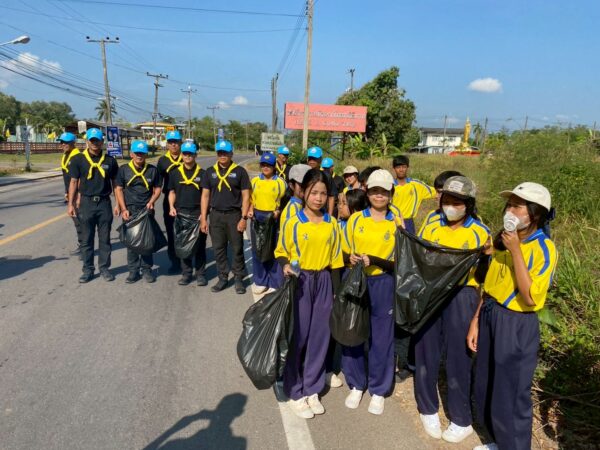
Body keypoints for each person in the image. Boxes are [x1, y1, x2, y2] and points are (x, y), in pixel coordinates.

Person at [467, 182, 557, 450]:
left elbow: (530, 298)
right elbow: (490, 287)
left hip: (516, 323)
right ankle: (498, 440)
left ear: (535, 214)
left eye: (517, 207)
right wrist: (476, 321)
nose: (510, 211)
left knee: (511, 392)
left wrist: (517, 250)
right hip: (490, 314)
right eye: (509, 205)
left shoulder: (543, 248)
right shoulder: (502, 242)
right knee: (486, 382)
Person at [414, 176, 490, 442]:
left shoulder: (480, 232)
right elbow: (420, 257)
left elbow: (484, 274)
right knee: (426, 349)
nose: (451, 206)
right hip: (432, 291)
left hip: (462, 295)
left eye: (458, 202)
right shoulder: (431, 224)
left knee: (459, 355)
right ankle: (427, 408)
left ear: (469, 204)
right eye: (447, 199)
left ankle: (461, 418)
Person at [275, 169, 344, 419]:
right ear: (303, 192)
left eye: (323, 194)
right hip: (300, 281)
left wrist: (335, 292)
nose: (318, 198)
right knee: (299, 336)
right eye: (314, 192)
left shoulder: (332, 224)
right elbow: (281, 251)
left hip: (324, 280)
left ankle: (312, 388)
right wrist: (285, 265)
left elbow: (336, 261)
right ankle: (294, 389)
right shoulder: (293, 222)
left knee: (320, 337)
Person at [341, 169, 404, 416]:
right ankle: (357, 383)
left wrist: (375, 260)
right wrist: (350, 257)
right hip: (356, 282)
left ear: (391, 193)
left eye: (384, 191)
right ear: (367, 192)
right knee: (353, 331)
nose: (379, 195)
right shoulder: (356, 219)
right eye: (375, 190)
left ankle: (378, 389)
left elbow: (401, 261)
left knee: (382, 336)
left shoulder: (396, 222)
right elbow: (343, 251)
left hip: (383, 282)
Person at [67, 128, 119, 283]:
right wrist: (70, 204)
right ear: (87, 141)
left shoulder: (110, 161)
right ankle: (88, 270)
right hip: (86, 203)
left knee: (105, 239)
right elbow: (73, 182)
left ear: (102, 142)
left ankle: (104, 268)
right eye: (92, 140)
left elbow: (116, 184)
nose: (95, 143)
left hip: (104, 203)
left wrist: (118, 204)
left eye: (97, 140)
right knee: (87, 239)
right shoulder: (78, 160)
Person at [201, 139, 251, 294]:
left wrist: (244, 218)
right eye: (220, 153)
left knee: (237, 248)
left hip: (234, 215)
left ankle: (238, 278)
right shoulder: (209, 172)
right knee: (219, 249)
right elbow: (205, 196)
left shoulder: (240, 172)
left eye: (225, 153)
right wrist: (203, 218)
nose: (222, 155)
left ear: (231, 154)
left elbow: (246, 196)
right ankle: (222, 277)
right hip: (215, 215)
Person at [114, 140, 162, 283]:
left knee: (147, 241)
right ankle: (133, 271)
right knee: (132, 242)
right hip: (130, 210)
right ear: (131, 154)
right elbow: (118, 189)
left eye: (142, 153)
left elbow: (158, 189)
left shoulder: (152, 170)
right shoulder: (123, 170)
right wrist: (123, 208)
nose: (139, 156)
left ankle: (147, 269)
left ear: (146, 155)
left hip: (146, 209)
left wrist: (152, 201)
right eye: (137, 153)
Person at [168, 141, 207, 286]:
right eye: (185, 153)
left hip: (197, 214)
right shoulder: (175, 173)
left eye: (190, 154)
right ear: (182, 155)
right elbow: (172, 192)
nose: (188, 156)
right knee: (183, 245)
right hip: (181, 214)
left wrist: (204, 215)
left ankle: (201, 274)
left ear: (195, 155)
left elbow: (206, 196)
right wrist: (171, 206)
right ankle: (186, 274)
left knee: (200, 247)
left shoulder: (203, 174)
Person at [248, 152, 287, 294]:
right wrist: (250, 210)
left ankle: (274, 282)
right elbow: (250, 199)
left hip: (272, 218)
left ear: (273, 166)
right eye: (263, 165)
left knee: (272, 250)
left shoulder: (280, 182)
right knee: (257, 249)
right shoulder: (254, 181)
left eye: (268, 165)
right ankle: (260, 281)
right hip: (257, 217)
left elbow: (285, 201)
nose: (265, 167)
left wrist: (278, 211)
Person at [157, 130, 184, 273]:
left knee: (185, 232)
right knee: (172, 233)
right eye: (171, 142)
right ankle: (174, 262)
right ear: (167, 144)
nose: (174, 145)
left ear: (181, 143)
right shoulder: (163, 161)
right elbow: (157, 183)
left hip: (186, 199)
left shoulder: (186, 156)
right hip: (169, 200)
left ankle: (186, 260)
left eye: (176, 142)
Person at [391, 155, 435, 234]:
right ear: (394, 169)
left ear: (407, 168)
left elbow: (436, 192)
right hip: (392, 221)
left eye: (404, 167)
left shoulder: (416, 185)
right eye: (398, 167)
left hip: (408, 222)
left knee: (410, 242)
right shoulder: (389, 186)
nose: (401, 170)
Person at [58, 131, 82, 256]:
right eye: (61, 142)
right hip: (71, 193)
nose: (63, 144)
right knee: (76, 219)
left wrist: (79, 196)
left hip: (78, 195)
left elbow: (80, 179)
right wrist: (66, 192)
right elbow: (67, 178)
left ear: (73, 143)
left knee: (79, 220)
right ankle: (83, 244)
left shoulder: (77, 157)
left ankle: (84, 245)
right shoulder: (66, 155)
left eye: (66, 142)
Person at [306, 146, 336, 215]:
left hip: (322, 213)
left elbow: (331, 196)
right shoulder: (303, 174)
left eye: (315, 159)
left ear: (320, 160)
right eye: (310, 158)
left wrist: (329, 216)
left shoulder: (327, 176)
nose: (312, 161)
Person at [279, 164, 311, 228]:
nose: (305, 187)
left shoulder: (303, 204)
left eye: (309, 184)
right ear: (291, 185)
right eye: (301, 184)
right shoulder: (292, 211)